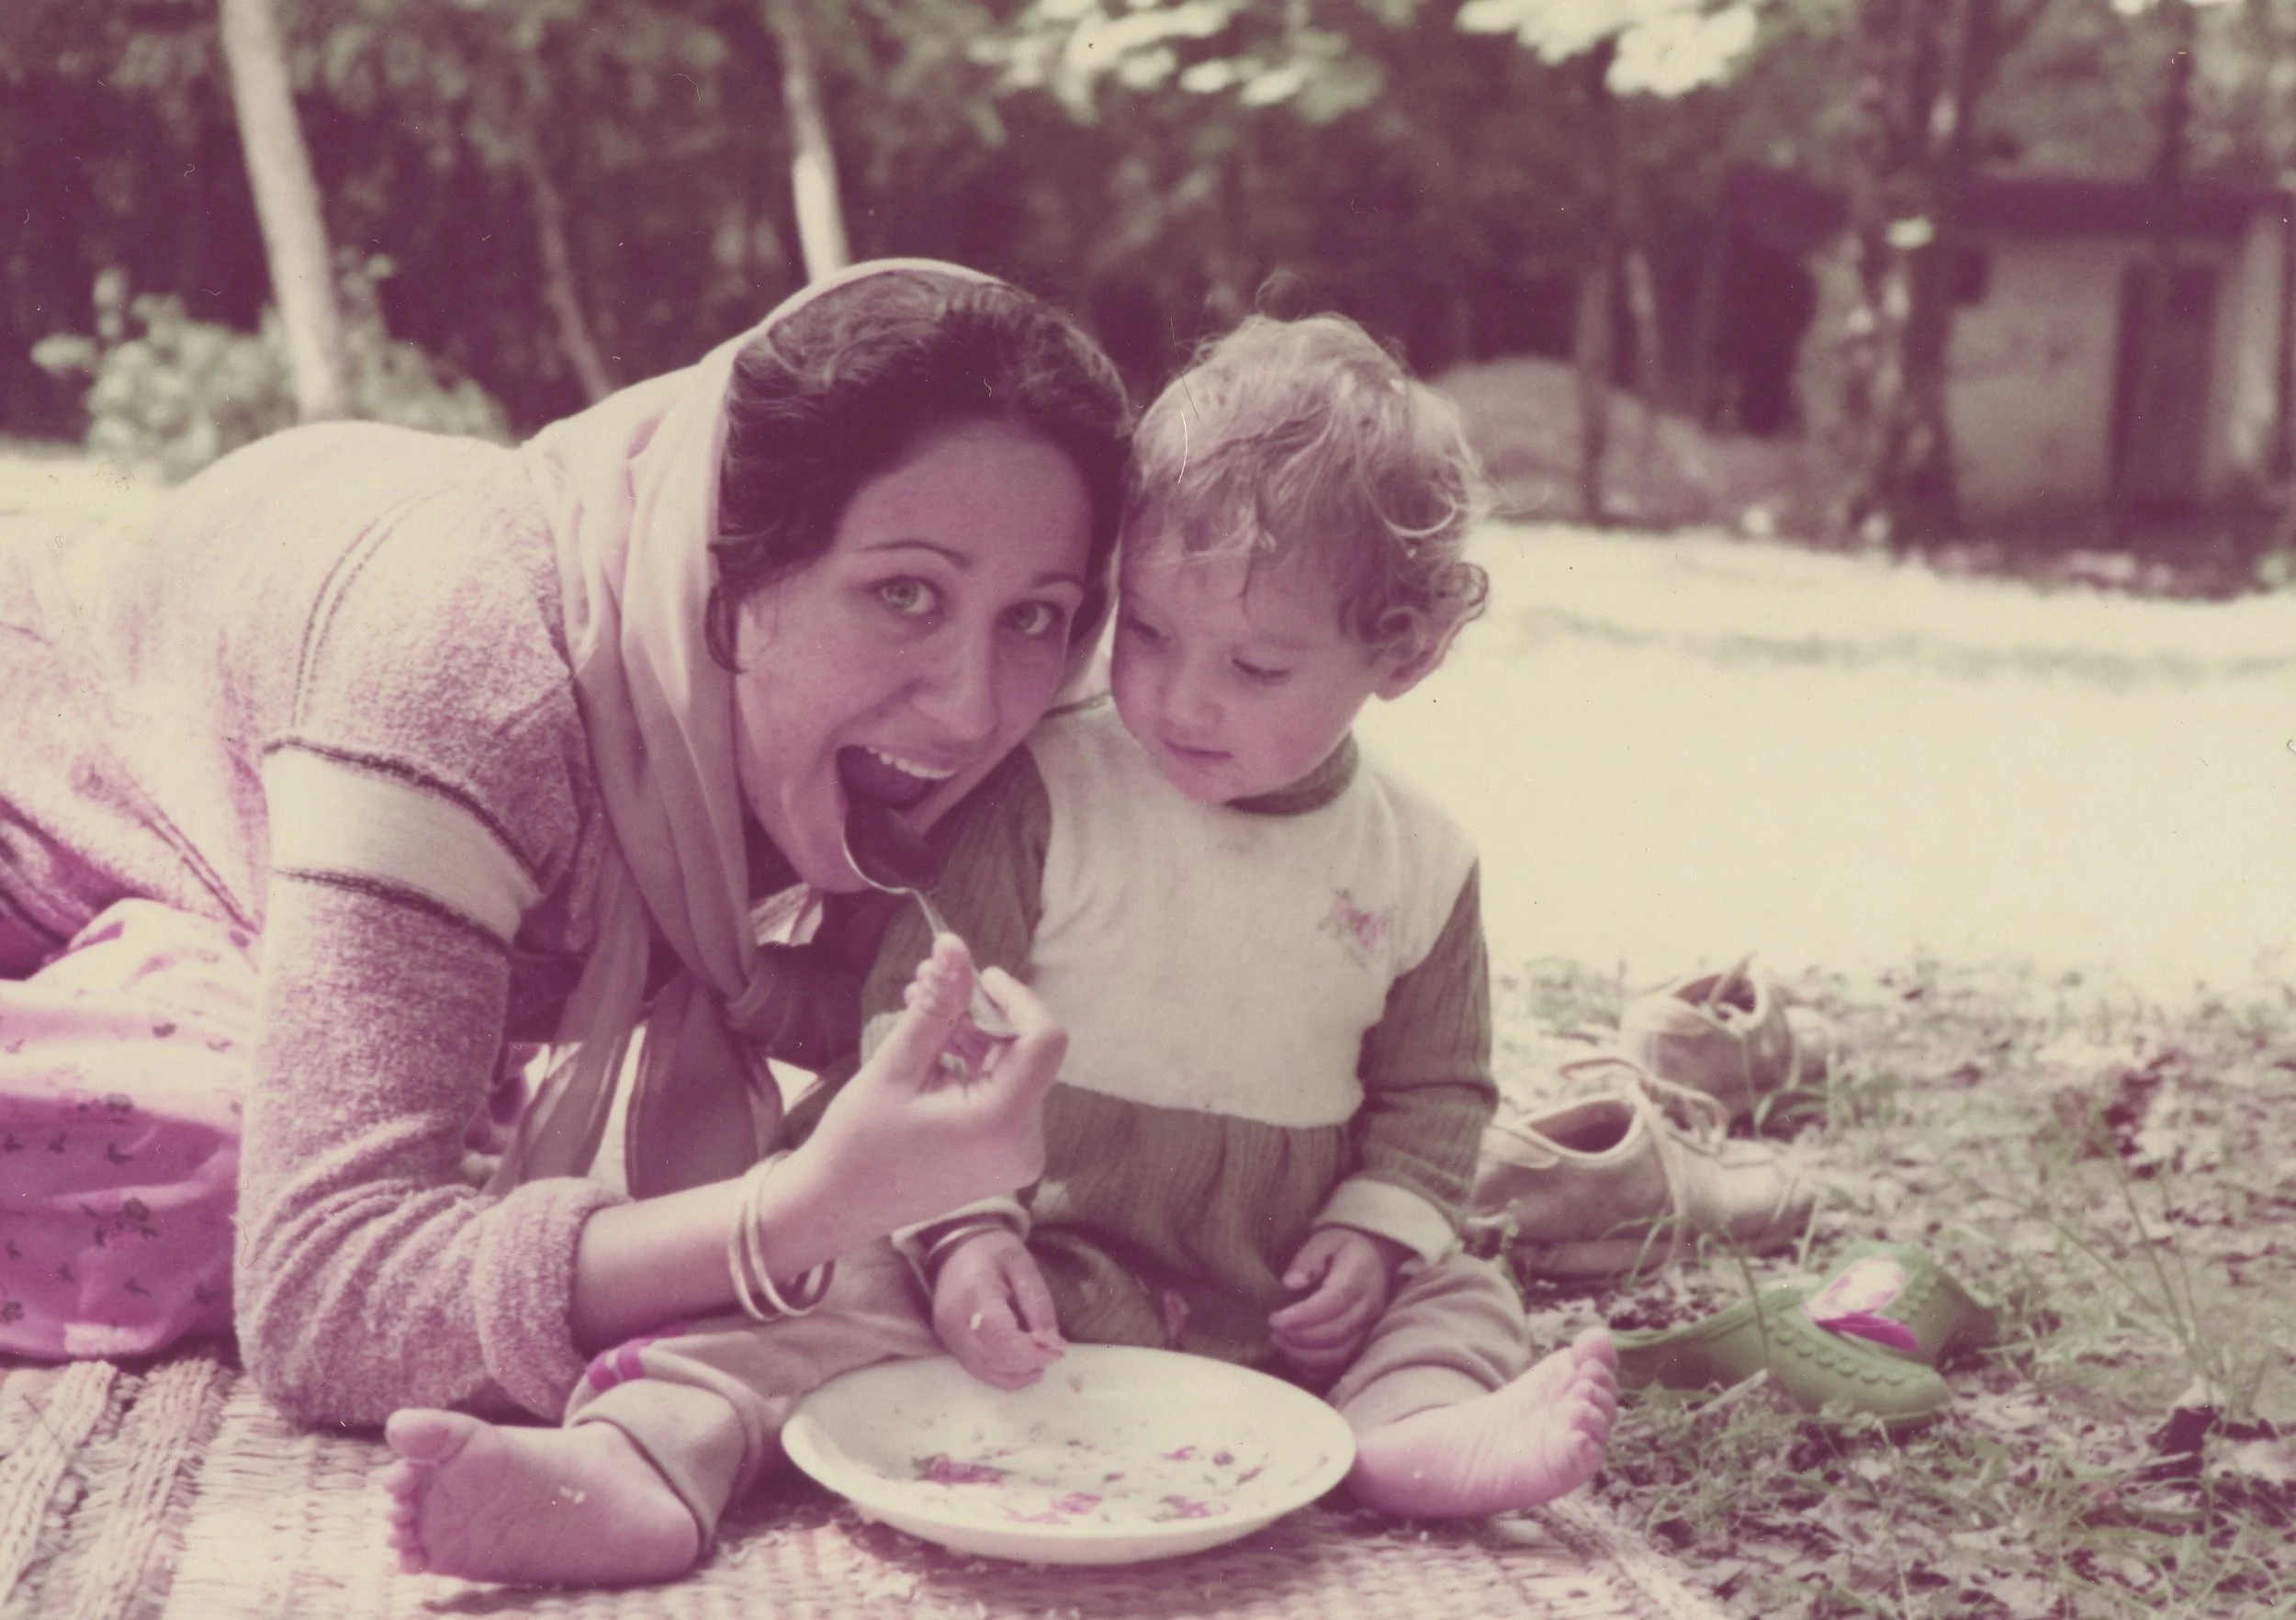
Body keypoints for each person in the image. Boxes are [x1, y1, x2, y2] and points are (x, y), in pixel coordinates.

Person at [420, 311, 1616, 1586]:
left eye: (1256, 667)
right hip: (1020, 1250)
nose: (1181, 698)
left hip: (1272, 1277)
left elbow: (1438, 1090)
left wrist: (1375, 1240)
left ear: (1404, 653)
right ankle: (642, 1460)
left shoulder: (1420, 861)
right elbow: (921, 1018)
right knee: (819, 1297)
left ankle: (1410, 1431)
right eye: (1147, 635)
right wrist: (965, 1235)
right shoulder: (1051, 788)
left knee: (1459, 1291)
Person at [0, 260, 1128, 1580]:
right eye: (906, 594)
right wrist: (794, 1212)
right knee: (207, 1162)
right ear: (735, 560)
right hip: (52, 838)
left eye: (1038, 620)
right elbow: (321, 1296)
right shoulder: (474, 680)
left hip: (242, 894)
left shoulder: (835, 728)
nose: (972, 706)